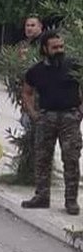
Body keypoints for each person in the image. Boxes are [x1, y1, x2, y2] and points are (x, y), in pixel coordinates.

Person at [21, 30, 83, 215]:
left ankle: (71, 201)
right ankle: (41, 197)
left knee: (71, 159)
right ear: (44, 49)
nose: (59, 50)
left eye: (61, 46)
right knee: (42, 160)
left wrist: (80, 110)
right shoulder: (36, 71)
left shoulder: (74, 66)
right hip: (46, 118)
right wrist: (33, 114)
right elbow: (26, 92)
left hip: (69, 118)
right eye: (55, 47)